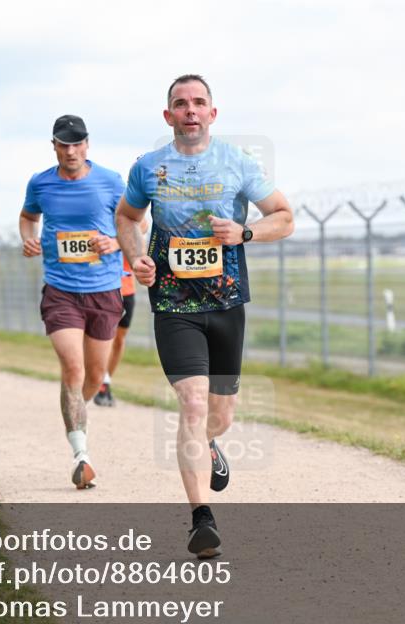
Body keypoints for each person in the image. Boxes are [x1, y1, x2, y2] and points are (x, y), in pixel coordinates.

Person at [116, 74, 294, 557]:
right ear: (168, 115)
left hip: (227, 302)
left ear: (212, 114)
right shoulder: (148, 168)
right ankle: (201, 520)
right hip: (174, 304)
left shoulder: (238, 162)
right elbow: (128, 218)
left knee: (219, 415)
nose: (190, 110)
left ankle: (209, 445)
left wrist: (246, 233)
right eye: (180, 103)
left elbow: (284, 215)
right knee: (192, 405)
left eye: (199, 103)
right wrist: (137, 258)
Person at [20, 115, 125, 489]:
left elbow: (133, 221)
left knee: (95, 376)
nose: (70, 150)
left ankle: (77, 415)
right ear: (54, 146)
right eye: (63, 144)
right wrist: (29, 238)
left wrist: (115, 241)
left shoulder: (111, 181)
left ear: (87, 144)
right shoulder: (41, 182)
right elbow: (28, 217)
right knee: (73, 369)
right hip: (61, 289)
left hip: (104, 289)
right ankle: (80, 453)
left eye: (76, 143)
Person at [93, 249, 146, 407]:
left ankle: (105, 381)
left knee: (119, 339)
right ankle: (96, 379)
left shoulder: (126, 223)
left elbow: (142, 225)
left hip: (126, 288)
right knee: (102, 337)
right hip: (100, 287)